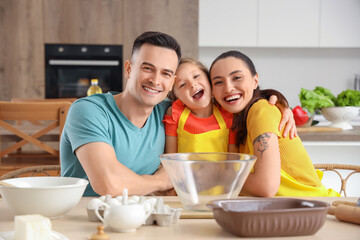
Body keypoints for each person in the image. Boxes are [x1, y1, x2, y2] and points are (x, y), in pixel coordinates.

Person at [60, 31, 181, 196]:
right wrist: (163, 181)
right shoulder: (88, 110)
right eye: (147, 68)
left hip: (138, 215)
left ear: (173, 82)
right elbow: (109, 184)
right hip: (81, 216)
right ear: (128, 69)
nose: (156, 80)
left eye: (166, 74)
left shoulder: (168, 113)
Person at [209, 50, 340, 197]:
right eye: (218, 82)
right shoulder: (235, 120)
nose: (228, 88)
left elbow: (266, 187)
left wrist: (218, 175)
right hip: (285, 211)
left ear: (255, 81)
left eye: (237, 77)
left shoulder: (261, 110)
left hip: (318, 210)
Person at [163, 58, 296, 154]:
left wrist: (281, 103)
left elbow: (233, 161)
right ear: (176, 96)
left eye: (197, 76)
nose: (192, 84)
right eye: (182, 85)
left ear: (210, 81)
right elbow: (171, 159)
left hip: (221, 187)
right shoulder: (174, 113)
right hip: (186, 188)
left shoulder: (227, 113)